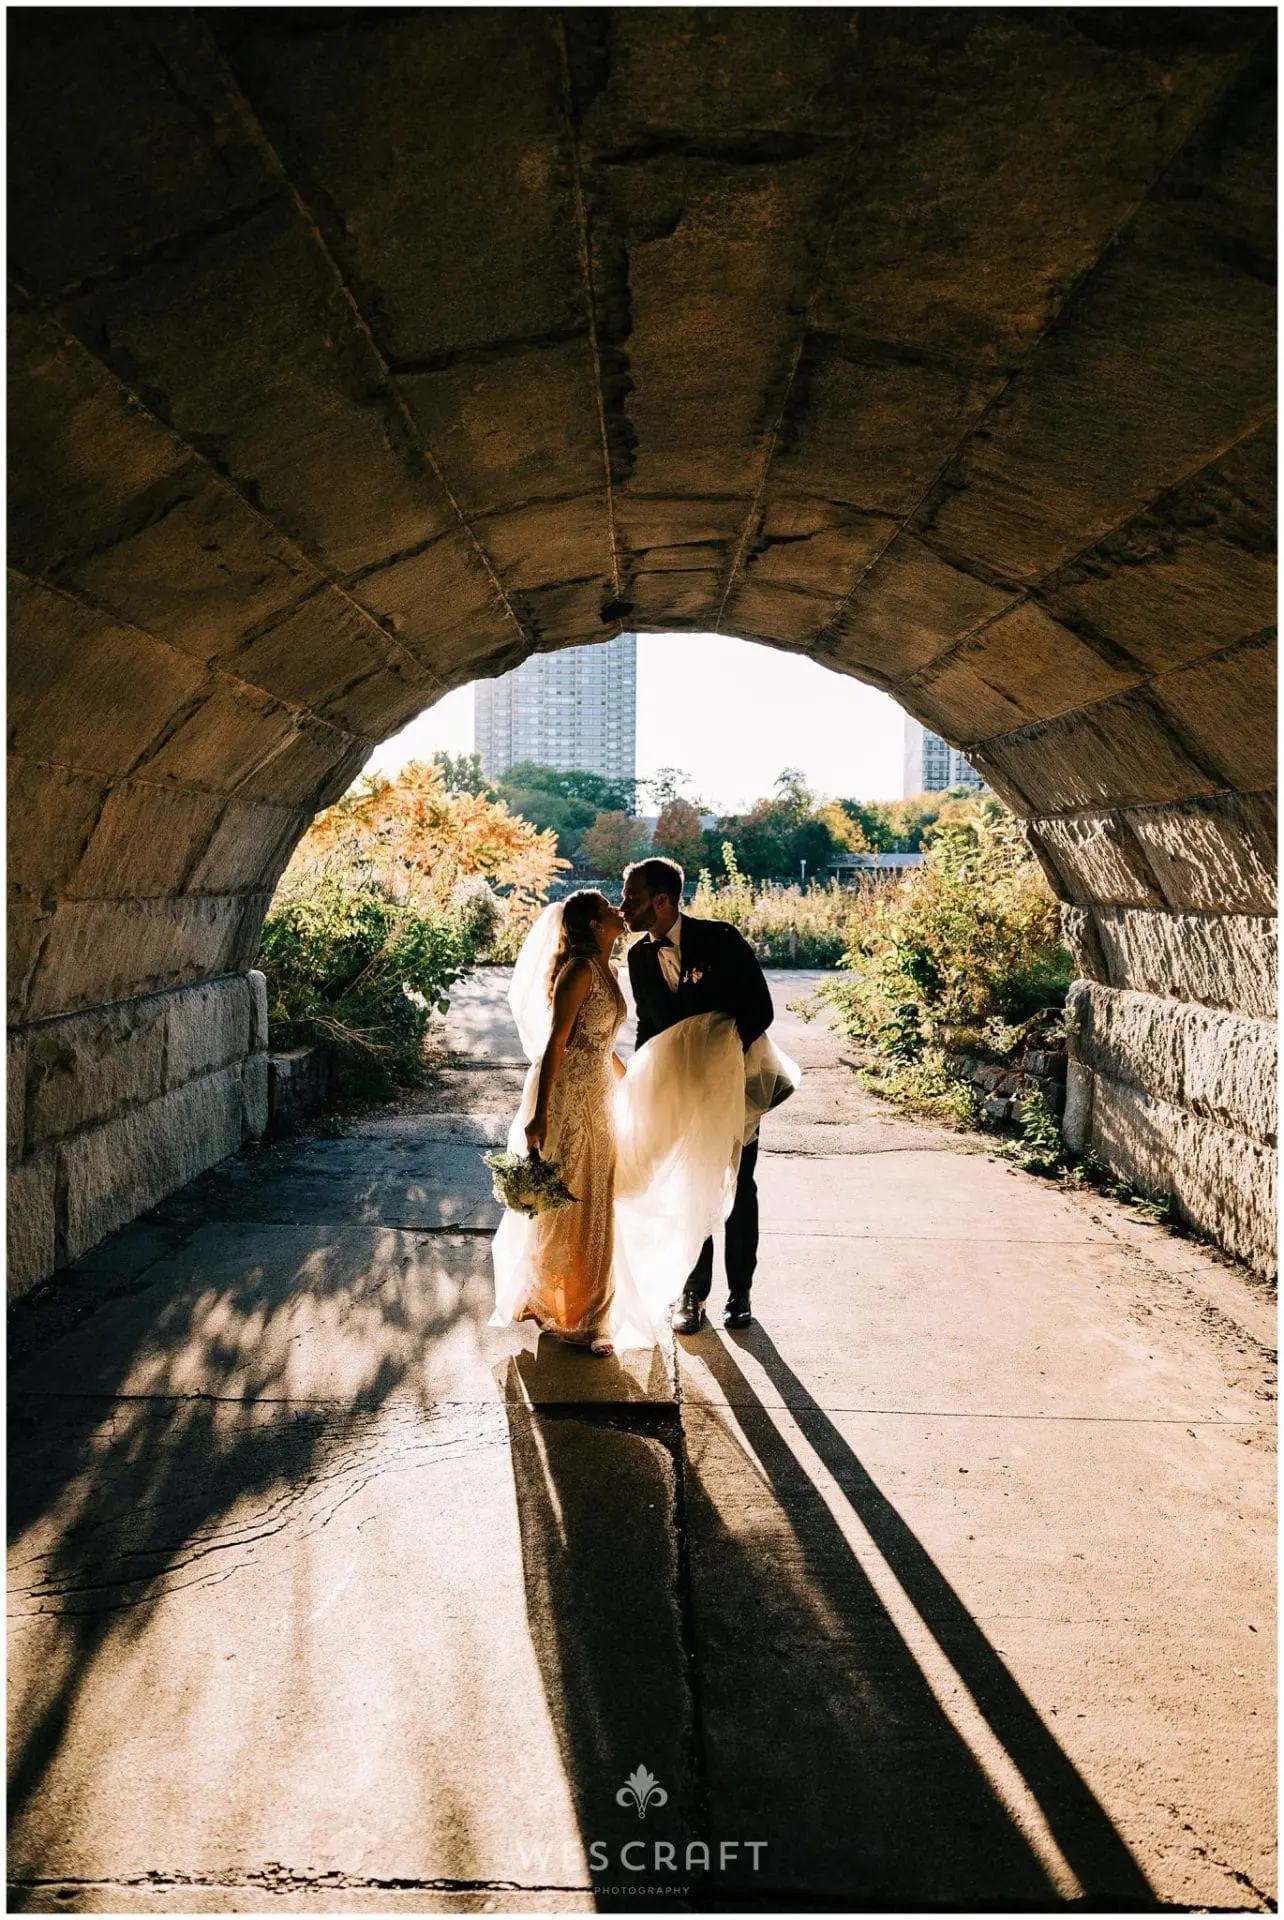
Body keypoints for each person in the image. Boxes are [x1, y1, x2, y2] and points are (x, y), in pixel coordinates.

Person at [621, 856, 775, 1333]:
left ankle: (741, 1293)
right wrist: (641, 1081)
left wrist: (720, 1062)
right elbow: (650, 1024)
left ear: (661, 900)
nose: (623, 907)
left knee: (739, 1185)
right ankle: (692, 1294)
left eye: (633, 898)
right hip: (678, 1091)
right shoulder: (638, 957)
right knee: (689, 1186)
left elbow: (760, 1010)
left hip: (736, 1087)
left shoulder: (720, 939)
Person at [500, 888, 629, 1356]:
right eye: (609, 909)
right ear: (595, 925)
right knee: (573, 1201)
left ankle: (586, 1310)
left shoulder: (609, 971)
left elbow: (600, 1038)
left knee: (598, 1198)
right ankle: (581, 1316)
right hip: (570, 1097)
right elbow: (557, 1043)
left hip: (600, 1094)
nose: (619, 910)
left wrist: (624, 1077)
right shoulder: (577, 972)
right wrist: (539, 1113)